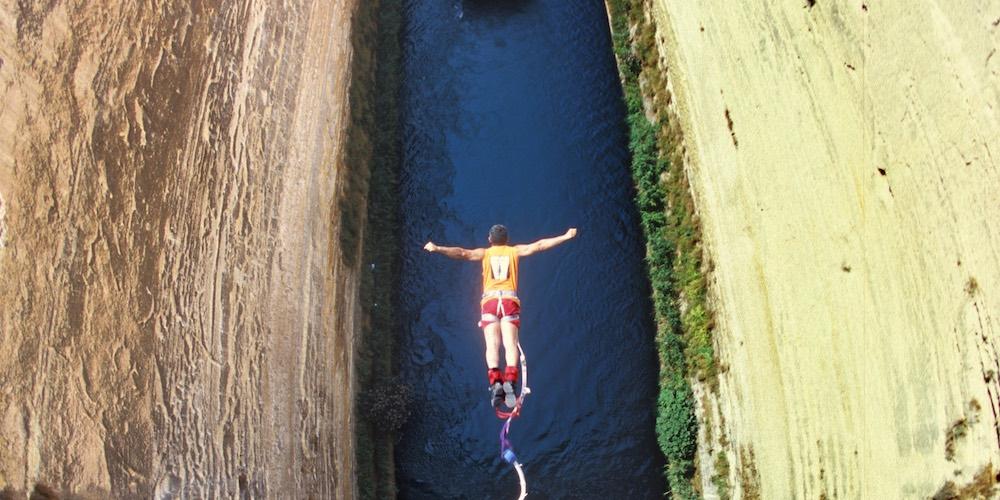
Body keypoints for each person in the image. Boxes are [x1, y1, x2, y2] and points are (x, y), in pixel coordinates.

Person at [424, 225, 577, 408]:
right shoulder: (514, 251)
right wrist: (565, 236)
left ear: (490, 240)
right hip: (509, 302)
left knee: (492, 345)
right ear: (507, 240)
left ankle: (496, 383)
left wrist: (437, 248)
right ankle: (510, 382)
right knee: (510, 344)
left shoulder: (485, 253)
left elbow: (462, 253)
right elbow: (539, 245)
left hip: (489, 302)